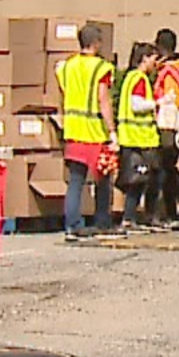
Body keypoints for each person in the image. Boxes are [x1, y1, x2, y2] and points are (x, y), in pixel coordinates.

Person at [56, 23, 119, 240]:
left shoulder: (67, 66)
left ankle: (72, 225)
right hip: (93, 130)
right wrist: (112, 130)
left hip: (73, 128)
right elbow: (103, 99)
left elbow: (64, 91)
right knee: (103, 176)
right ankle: (102, 221)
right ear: (96, 43)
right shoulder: (101, 68)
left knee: (75, 180)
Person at [117, 42, 165, 227]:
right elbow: (136, 105)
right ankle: (144, 217)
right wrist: (159, 102)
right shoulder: (139, 79)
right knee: (148, 178)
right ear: (144, 58)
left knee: (137, 179)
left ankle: (132, 217)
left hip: (132, 136)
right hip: (141, 138)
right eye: (154, 58)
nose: (156, 63)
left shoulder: (130, 77)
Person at [152, 29, 179, 224]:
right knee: (168, 169)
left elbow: (170, 100)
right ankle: (173, 211)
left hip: (169, 124)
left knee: (166, 168)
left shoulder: (169, 71)